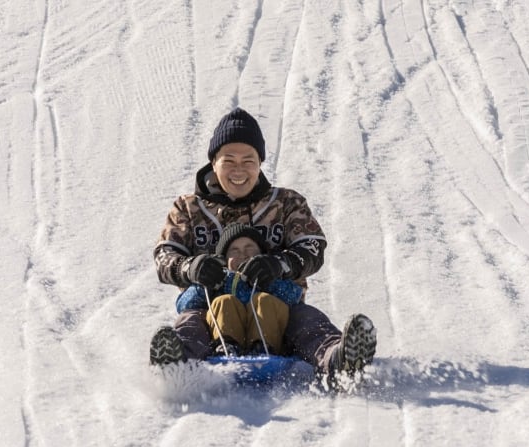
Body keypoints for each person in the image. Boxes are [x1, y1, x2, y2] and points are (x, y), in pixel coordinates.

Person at [149, 107, 377, 381]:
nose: (239, 170)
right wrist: (190, 267)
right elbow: (165, 254)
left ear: (260, 162)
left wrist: (279, 263)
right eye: (229, 160)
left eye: (249, 160)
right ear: (213, 163)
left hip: (278, 309)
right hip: (210, 313)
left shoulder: (285, 203)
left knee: (307, 321)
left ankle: (339, 362)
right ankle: (176, 367)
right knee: (190, 323)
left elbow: (313, 246)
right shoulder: (188, 208)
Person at [175, 223, 304, 356]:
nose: (242, 254)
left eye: (250, 247)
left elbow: (294, 297)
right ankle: (226, 347)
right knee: (224, 301)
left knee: (264, 300)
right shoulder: (218, 281)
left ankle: (262, 347)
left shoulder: (270, 278)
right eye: (234, 250)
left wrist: (270, 282)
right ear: (224, 259)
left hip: (270, 340)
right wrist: (204, 287)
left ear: (261, 253)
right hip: (226, 339)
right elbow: (184, 305)